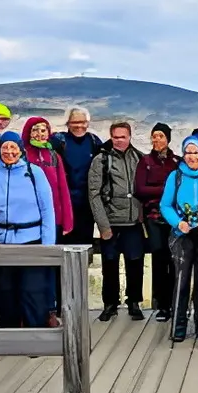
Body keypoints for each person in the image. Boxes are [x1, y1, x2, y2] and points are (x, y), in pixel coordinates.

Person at [0, 132, 56, 328]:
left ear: (21, 150)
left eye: (13, 147)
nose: (9, 151)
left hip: (31, 240)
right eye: (5, 147)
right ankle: (10, 334)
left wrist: (48, 246)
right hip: (0, 242)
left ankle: (35, 335)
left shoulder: (34, 173)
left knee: (32, 291)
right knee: (6, 291)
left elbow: (47, 210)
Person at [88, 122, 146, 322]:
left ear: (130, 136)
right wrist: (103, 226)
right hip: (111, 221)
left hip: (133, 221)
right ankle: (110, 303)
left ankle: (134, 302)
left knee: (135, 263)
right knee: (110, 264)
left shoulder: (139, 158)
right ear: (111, 137)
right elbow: (94, 195)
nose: (120, 140)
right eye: (116, 137)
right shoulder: (101, 160)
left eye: (123, 136)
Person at [160, 137, 198, 342]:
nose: (192, 157)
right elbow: (166, 205)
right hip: (182, 234)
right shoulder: (175, 177)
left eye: (196, 152)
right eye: (188, 152)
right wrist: (178, 223)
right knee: (181, 280)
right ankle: (178, 327)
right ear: (183, 155)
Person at [21, 116, 74, 324]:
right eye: (35, 130)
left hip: (54, 219)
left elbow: (62, 188)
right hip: (30, 221)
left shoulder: (53, 156)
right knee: (33, 269)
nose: (40, 134)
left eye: (44, 130)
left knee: (52, 266)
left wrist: (67, 219)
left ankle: (51, 310)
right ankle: (30, 312)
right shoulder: (23, 155)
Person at [134, 123, 180, 322]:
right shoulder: (145, 162)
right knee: (159, 260)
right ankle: (162, 305)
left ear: (168, 139)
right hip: (153, 218)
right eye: (154, 136)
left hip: (174, 218)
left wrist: (157, 189)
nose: (157, 140)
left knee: (175, 260)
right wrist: (165, 189)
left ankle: (176, 303)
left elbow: (180, 187)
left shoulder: (177, 161)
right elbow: (140, 189)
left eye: (161, 136)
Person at [51, 107, 104, 246]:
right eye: (75, 122)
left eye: (83, 122)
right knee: (63, 247)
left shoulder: (94, 141)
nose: (79, 126)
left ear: (88, 123)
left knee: (85, 246)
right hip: (64, 206)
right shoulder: (58, 141)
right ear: (68, 123)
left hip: (86, 207)